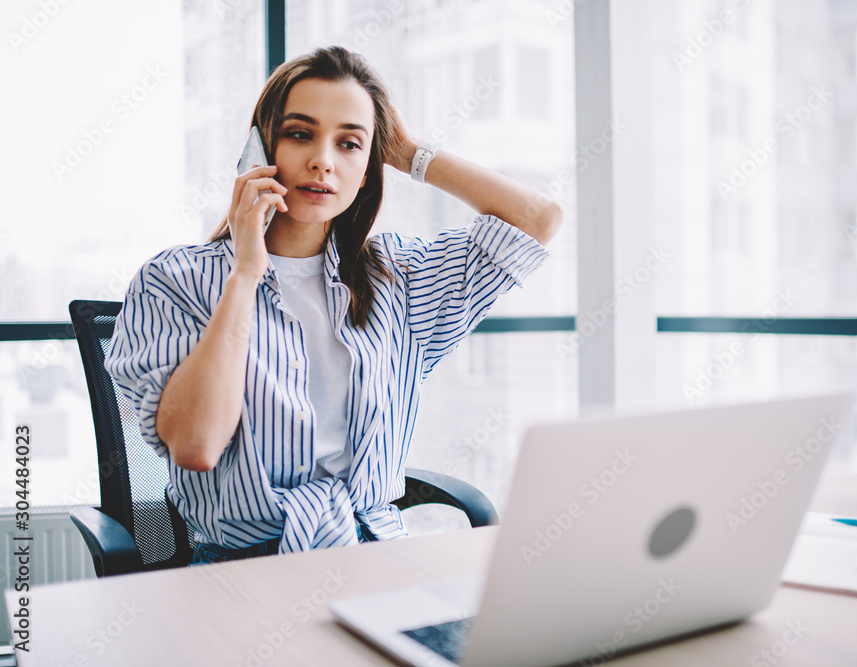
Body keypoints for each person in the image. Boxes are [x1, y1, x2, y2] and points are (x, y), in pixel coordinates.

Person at [104, 46, 561, 564]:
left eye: (349, 144)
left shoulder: (398, 278)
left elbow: (537, 219)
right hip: (245, 565)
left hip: (375, 554)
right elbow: (196, 446)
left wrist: (408, 151)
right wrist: (245, 274)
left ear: (367, 170)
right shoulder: (174, 281)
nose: (323, 159)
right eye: (300, 134)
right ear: (258, 149)